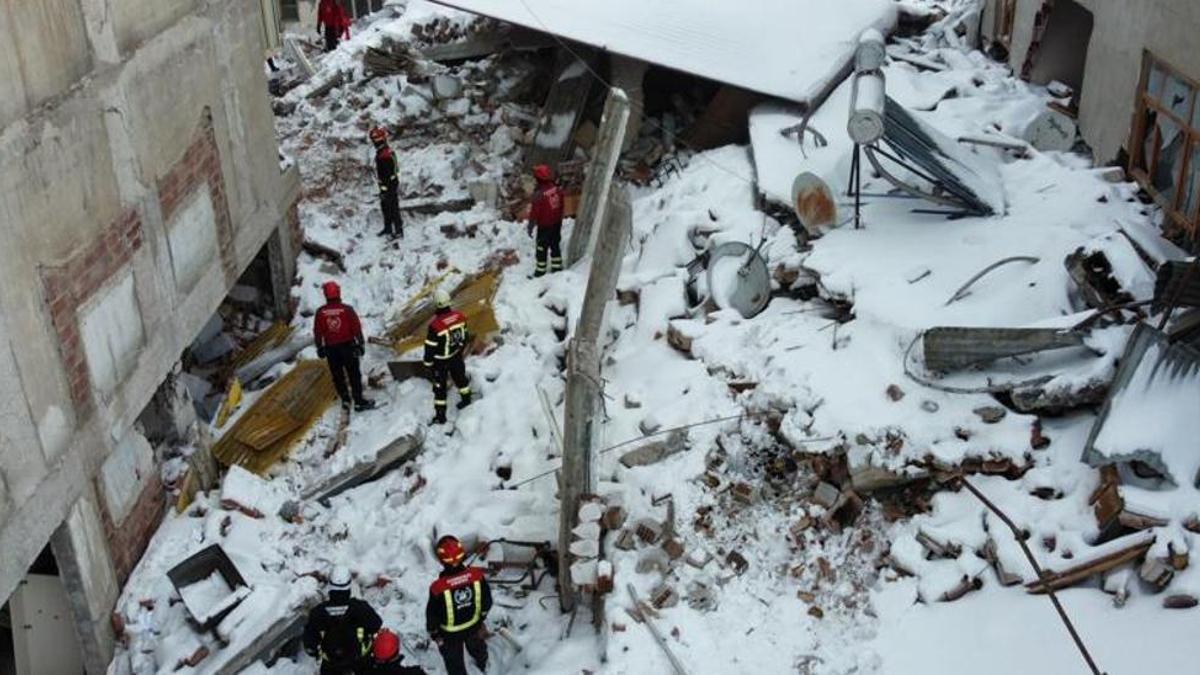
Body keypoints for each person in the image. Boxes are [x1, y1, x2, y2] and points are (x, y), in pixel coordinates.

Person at [425, 536, 492, 675]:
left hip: (449, 635)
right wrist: (481, 618)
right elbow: (487, 601)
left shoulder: (437, 588)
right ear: (462, 555)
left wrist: (434, 632)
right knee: (478, 648)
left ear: (442, 560)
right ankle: (483, 663)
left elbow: (432, 615)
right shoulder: (477, 576)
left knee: (454, 663)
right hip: (474, 626)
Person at [303, 567, 383, 674]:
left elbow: (310, 644)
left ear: (330, 586)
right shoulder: (361, 608)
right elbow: (376, 625)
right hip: (361, 663)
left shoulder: (318, 612)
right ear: (349, 586)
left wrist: (317, 652)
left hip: (331, 665)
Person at [314, 281, 375, 412]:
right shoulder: (347, 310)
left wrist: (319, 347)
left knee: (338, 376)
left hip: (331, 349)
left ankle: (345, 399)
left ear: (326, 294)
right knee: (354, 374)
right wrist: (360, 344)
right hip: (348, 347)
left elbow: (318, 332)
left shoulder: (320, 312)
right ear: (338, 292)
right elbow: (356, 328)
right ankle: (359, 401)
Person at [422, 290, 471, 425]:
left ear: (436, 305)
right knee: (461, 378)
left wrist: (427, 364)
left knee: (440, 388)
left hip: (440, 362)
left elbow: (429, 348)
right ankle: (467, 399)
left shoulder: (435, 326)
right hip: (456, 356)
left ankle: (441, 416)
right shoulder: (460, 317)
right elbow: (465, 337)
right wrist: (459, 350)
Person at [527, 164, 564, 277]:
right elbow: (561, 205)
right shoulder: (557, 189)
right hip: (556, 223)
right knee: (555, 244)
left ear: (538, 179)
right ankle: (557, 267)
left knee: (541, 247)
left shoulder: (539, 195)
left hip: (545, 226)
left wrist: (531, 226)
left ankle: (540, 271)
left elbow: (534, 213)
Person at [370, 127, 403, 239]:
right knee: (385, 206)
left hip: (390, 184)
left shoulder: (385, 154)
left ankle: (399, 231)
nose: (374, 142)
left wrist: (385, 188)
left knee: (393, 207)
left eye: (375, 140)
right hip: (385, 184)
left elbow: (388, 174)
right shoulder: (383, 152)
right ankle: (388, 228)